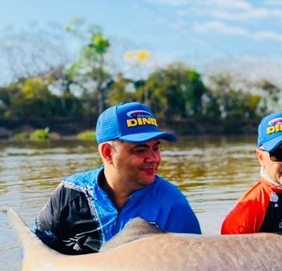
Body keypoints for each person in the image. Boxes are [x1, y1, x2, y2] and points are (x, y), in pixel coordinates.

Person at [34, 101, 201, 255]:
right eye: (140, 150)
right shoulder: (71, 193)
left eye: (156, 148)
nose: (154, 159)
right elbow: (34, 252)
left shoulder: (173, 206)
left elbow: (193, 267)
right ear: (107, 153)